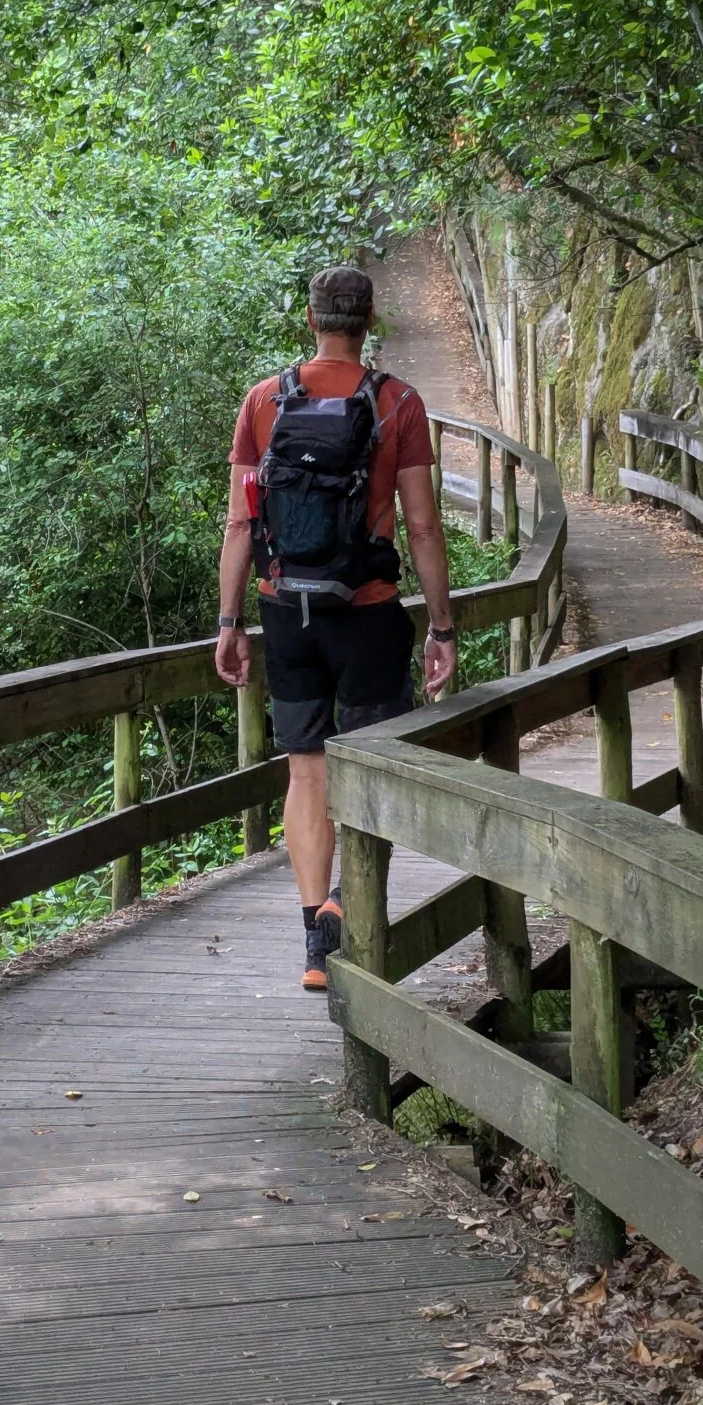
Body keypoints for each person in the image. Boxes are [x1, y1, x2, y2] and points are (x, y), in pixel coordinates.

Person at [215, 264, 458, 989]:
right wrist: (442, 628)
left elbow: (238, 520)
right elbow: (422, 525)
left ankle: (314, 939)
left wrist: (230, 621)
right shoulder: (397, 402)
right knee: (371, 761)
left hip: (285, 610)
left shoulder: (264, 400)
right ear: (370, 319)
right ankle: (351, 901)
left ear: (310, 318)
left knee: (307, 768)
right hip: (369, 607)